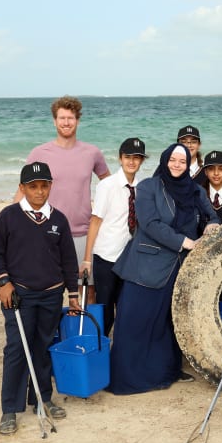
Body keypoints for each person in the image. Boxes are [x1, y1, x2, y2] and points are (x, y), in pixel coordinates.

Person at [109, 144, 220, 394]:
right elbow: (149, 223)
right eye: (173, 159)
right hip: (147, 266)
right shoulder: (148, 186)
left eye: (183, 161)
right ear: (165, 160)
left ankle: (166, 372)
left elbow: (211, 216)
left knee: (168, 323)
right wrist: (185, 242)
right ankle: (128, 378)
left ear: (189, 163)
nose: (177, 165)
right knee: (135, 321)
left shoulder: (195, 190)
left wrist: (211, 226)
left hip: (179, 268)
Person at [0, 162, 78, 435]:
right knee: (17, 348)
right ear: (22, 188)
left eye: (44, 186)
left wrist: (72, 294)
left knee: (43, 345)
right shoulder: (9, 216)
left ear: (50, 186)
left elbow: (68, 260)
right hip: (19, 295)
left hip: (52, 294)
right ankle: (9, 408)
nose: (39, 192)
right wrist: (3, 282)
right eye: (33, 187)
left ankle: (41, 398)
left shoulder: (58, 219)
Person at [20, 96, 110, 287]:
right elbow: (22, 191)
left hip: (83, 234)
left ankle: (82, 319)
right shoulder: (39, 153)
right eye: (62, 118)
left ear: (77, 120)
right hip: (46, 231)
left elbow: (109, 186)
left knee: (87, 291)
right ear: (54, 121)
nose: (66, 122)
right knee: (49, 290)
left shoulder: (92, 153)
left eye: (70, 118)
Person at [81, 137, 146, 336]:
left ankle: (120, 352)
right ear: (120, 158)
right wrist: (86, 259)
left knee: (126, 309)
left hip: (129, 258)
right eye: (128, 157)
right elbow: (95, 221)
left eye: (137, 157)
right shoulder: (107, 185)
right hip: (106, 257)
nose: (132, 161)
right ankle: (99, 349)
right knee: (106, 308)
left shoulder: (142, 187)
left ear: (142, 161)